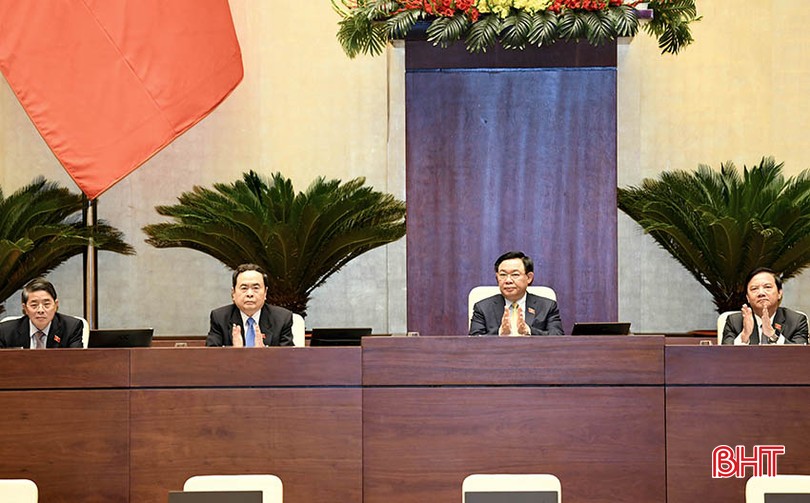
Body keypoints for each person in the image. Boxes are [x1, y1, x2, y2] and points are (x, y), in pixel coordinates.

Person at [469, 251, 564, 336]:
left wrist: (529, 331)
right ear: (497, 278)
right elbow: (474, 341)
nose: (508, 280)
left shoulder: (547, 306)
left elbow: (557, 337)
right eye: (503, 275)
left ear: (529, 278)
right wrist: (500, 333)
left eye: (515, 274)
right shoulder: (482, 308)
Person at [207, 263, 294, 347]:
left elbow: (288, 355)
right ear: (233, 293)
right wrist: (234, 353)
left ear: (265, 292)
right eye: (244, 288)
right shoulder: (220, 318)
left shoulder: (282, 318)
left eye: (255, 288)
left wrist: (264, 353)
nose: (250, 294)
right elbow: (211, 354)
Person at [722, 267, 808, 345]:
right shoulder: (734, 322)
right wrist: (744, 337)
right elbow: (724, 355)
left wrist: (773, 335)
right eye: (754, 288)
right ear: (747, 297)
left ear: (779, 293)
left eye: (767, 287)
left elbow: (801, 354)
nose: (761, 293)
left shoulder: (796, 321)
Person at [0, 277, 84, 348]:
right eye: (34, 305)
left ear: (56, 305)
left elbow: (76, 360)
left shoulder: (71, 328)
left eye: (46, 304)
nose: (40, 310)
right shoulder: (5, 331)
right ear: (25, 308)